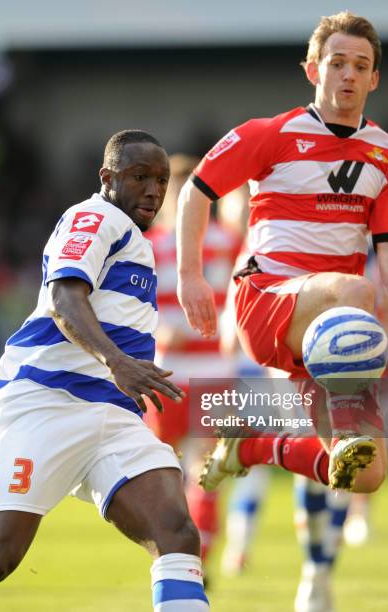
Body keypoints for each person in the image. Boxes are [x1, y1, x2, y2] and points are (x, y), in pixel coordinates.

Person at [0, 131, 210, 612]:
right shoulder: (95, 217)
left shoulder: (137, 240)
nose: (154, 189)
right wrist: (118, 362)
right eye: (140, 177)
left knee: (176, 531)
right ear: (107, 178)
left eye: (162, 180)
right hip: (46, 401)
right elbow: (65, 299)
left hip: (113, 414)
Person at [176, 11, 388, 500]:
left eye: (359, 65)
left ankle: (251, 448)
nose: (347, 74)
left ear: (374, 78)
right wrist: (190, 276)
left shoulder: (385, 154)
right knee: (355, 287)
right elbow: (195, 192)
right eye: (336, 63)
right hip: (267, 297)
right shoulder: (271, 134)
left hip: (333, 328)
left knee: (364, 474)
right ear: (313, 70)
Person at [144, 154, 241, 569]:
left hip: (172, 370)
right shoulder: (228, 241)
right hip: (213, 369)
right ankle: (200, 549)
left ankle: (182, 554)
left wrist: (159, 329)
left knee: (166, 468)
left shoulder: (149, 245)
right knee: (206, 465)